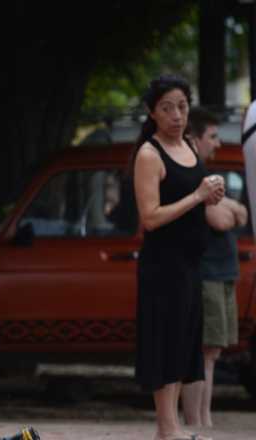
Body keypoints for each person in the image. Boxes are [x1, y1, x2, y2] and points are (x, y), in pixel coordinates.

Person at [132, 75, 224, 440]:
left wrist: (212, 196)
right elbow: (150, 217)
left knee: (185, 342)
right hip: (162, 265)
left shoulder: (189, 144)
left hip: (191, 263)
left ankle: (170, 428)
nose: (176, 115)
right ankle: (167, 427)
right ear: (152, 112)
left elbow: (196, 195)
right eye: (167, 107)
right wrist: (198, 197)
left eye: (182, 106)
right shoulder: (148, 155)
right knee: (164, 341)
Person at [182, 107, 247, 428]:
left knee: (213, 352)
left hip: (223, 273)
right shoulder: (195, 177)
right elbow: (223, 219)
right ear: (194, 139)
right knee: (204, 351)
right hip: (207, 274)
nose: (218, 143)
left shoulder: (207, 176)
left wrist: (229, 206)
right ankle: (198, 420)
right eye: (213, 136)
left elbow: (243, 214)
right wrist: (228, 207)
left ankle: (203, 418)